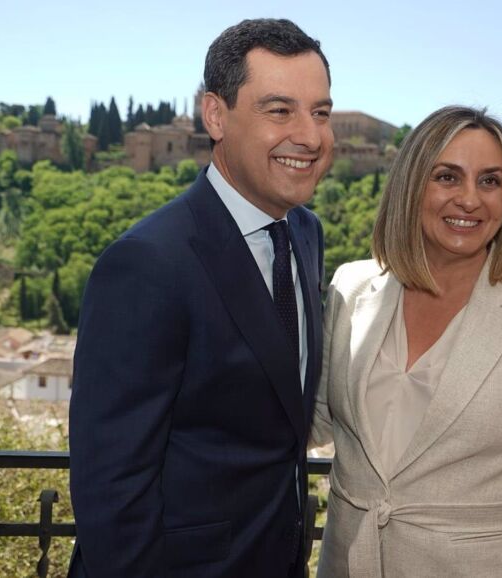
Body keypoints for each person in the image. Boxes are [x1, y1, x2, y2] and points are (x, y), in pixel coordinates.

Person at [68, 18, 333, 578]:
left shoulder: (306, 235)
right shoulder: (146, 264)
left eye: (321, 112)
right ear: (215, 115)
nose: (310, 136)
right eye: (280, 110)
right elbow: (112, 492)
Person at [311, 106, 502, 578]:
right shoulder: (351, 287)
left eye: (490, 181)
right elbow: (315, 417)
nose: (469, 199)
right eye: (447, 177)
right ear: (411, 186)